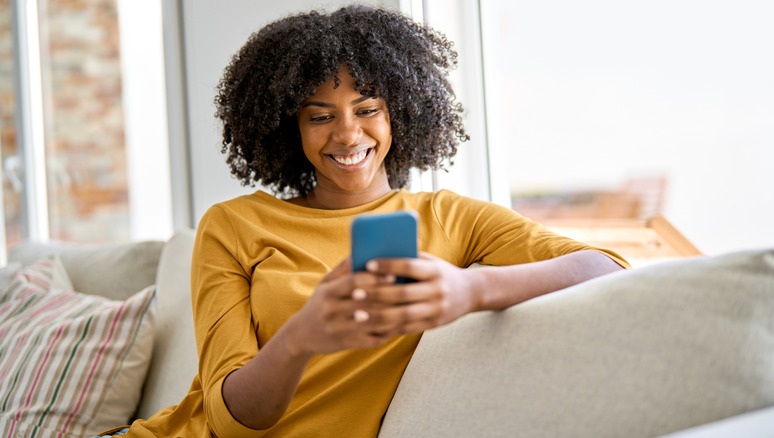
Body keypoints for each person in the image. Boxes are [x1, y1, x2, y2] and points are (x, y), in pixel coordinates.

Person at [96, 4, 628, 437]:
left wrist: (469, 289)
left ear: (400, 111)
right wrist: (303, 334)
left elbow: (607, 270)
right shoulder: (235, 225)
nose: (348, 134)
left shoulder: (448, 218)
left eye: (367, 108)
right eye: (320, 116)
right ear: (290, 131)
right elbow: (231, 421)